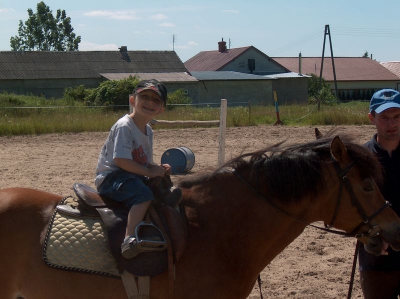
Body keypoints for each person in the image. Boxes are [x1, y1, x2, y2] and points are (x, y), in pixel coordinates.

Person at [94, 79, 178, 259]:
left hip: (130, 174)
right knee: (143, 195)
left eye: (156, 100)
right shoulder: (125, 126)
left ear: (161, 108)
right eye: (145, 97)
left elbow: (142, 161)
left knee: (159, 186)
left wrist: (157, 168)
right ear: (133, 100)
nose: (150, 102)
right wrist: (149, 172)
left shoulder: (148, 130)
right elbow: (121, 160)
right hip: (112, 176)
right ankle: (129, 239)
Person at [359, 88, 400, 299]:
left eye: (396, 117)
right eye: (384, 118)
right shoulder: (361, 161)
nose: (391, 124)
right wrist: (370, 237)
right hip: (376, 264)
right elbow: (354, 211)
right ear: (371, 118)